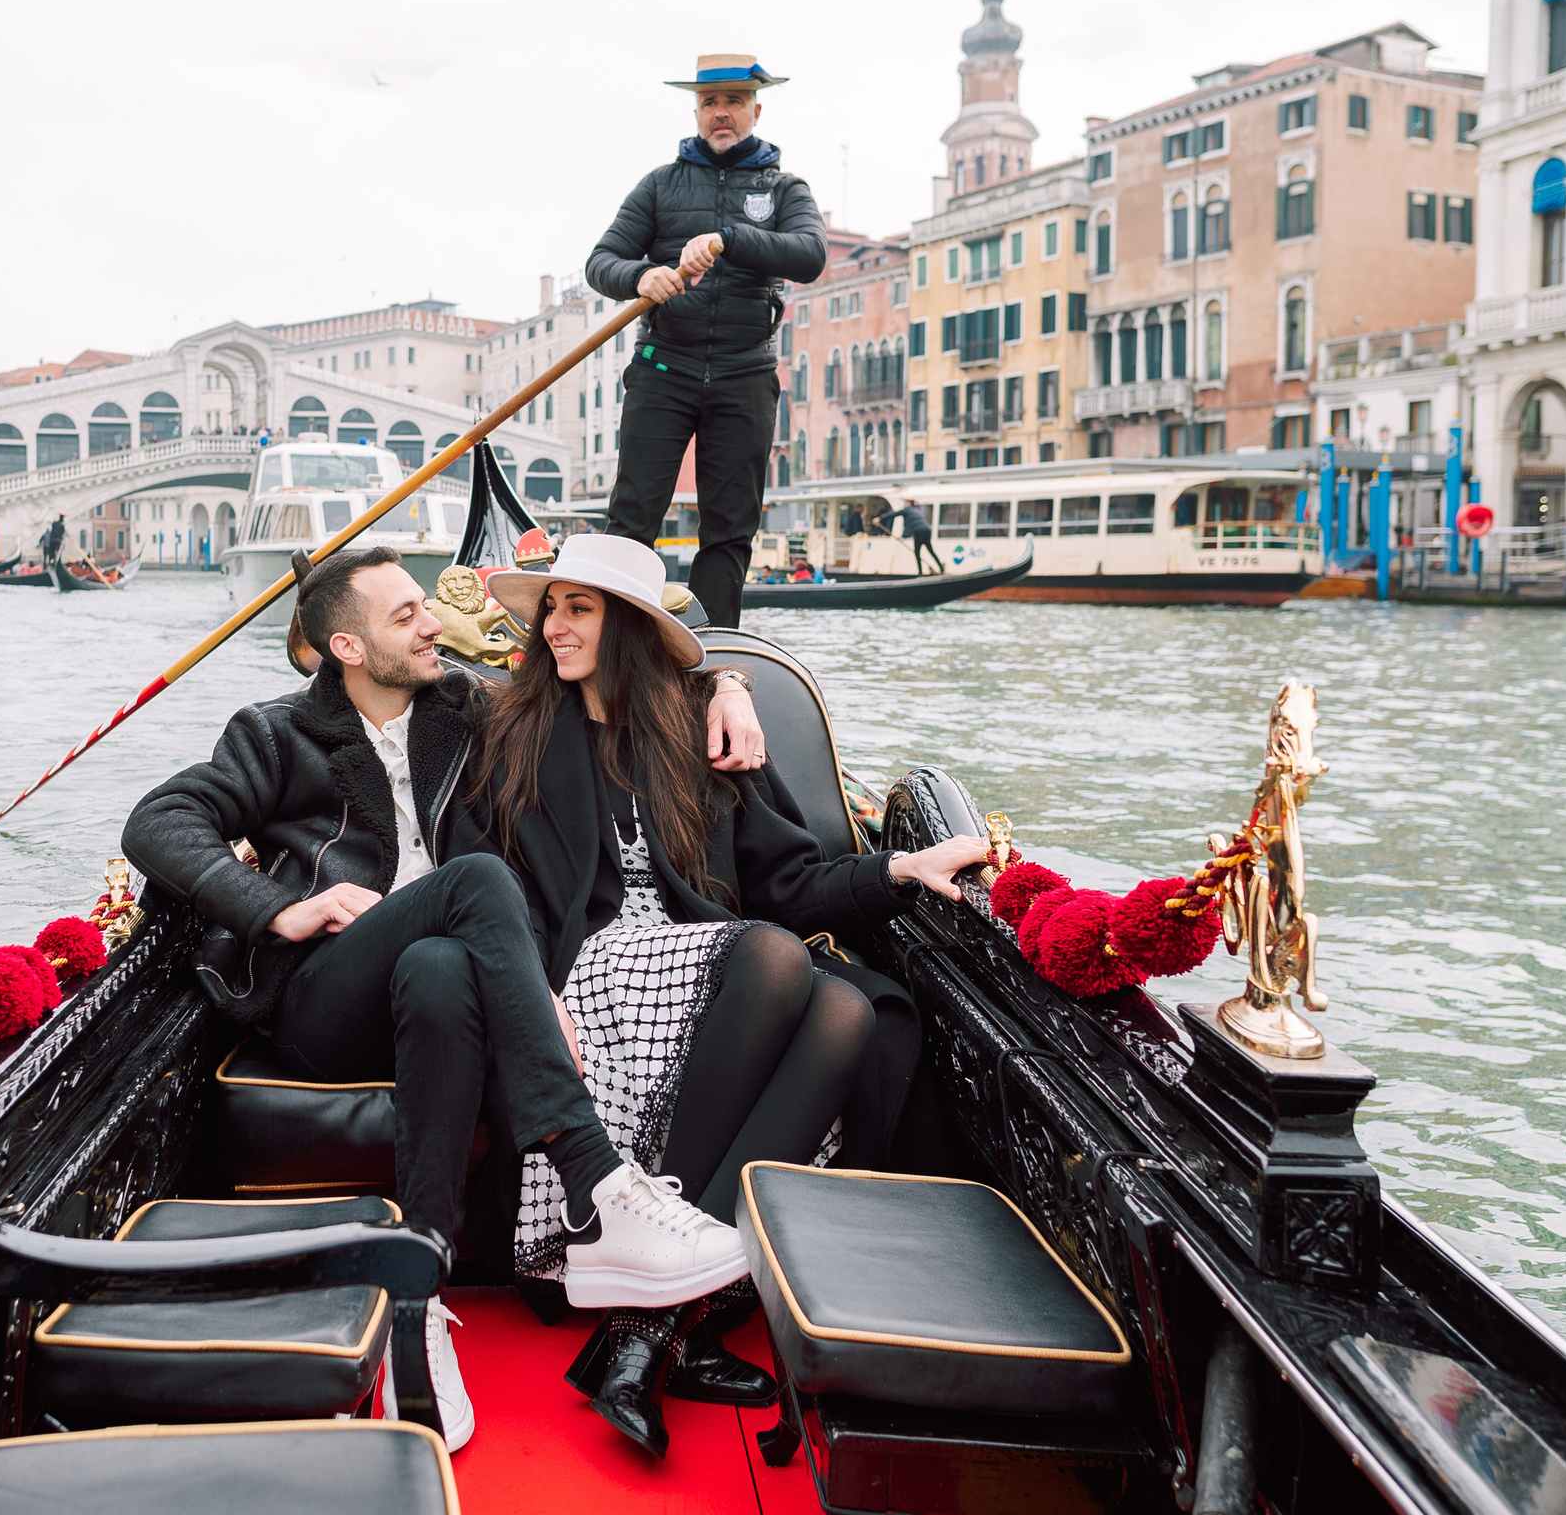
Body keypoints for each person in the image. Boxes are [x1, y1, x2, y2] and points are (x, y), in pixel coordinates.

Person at [121, 547, 773, 1454]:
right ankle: (598, 1180)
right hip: (326, 999)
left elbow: (619, 665)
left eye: (427, 606)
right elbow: (156, 823)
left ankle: (419, 1297)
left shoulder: (462, 708)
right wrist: (283, 908)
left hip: (442, 986)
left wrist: (731, 683)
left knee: (438, 962)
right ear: (346, 645)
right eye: (405, 617)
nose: (436, 624)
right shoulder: (274, 734)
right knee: (473, 882)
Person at [451, 534, 990, 1458]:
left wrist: (899, 866)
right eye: (551, 608)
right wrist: (529, 996)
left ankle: (649, 1333)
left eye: (578, 608)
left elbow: (793, 878)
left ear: (624, 626)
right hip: (590, 977)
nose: (554, 625)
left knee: (850, 1010)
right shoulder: (509, 734)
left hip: (714, 964)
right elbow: (481, 887)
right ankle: (666, 1319)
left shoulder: (694, 734)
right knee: (778, 963)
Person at [586, 55, 827, 631]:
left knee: (729, 527)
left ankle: (710, 650)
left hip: (746, 374)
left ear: (755, 110)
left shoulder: (786, 188)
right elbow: (601, 263)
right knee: (632, 517)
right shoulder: (658, 186)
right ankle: (616, 649)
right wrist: (641, 276)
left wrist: (728, 238)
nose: (722, 113)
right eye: (711, 102)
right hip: (664, 367)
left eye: (735, 101)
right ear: (696, 111)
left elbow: (810, 255)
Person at [880, 503, 938, 575]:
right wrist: (903, 536)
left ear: (908, 503)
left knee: (917, 552)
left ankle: (920, 573)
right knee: (931, 551)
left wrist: (880, 518)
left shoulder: (907, 509)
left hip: (919, 532)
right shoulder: (915, 511)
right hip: (927, 530)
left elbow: (894, 514)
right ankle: (941, 569)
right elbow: (912, 523)